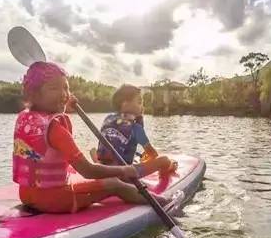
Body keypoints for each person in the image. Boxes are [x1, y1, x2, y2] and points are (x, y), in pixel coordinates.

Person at [13, 62, 172, 214]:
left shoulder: (25, 119)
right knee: (115, 184)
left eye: (66, 88)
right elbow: (88, 171)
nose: (64, 94)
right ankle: (164, 203)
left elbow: (46, 124)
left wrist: (64, 105)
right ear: (33, 93)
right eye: (54, 88)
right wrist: (125, 170)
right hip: (54, 200)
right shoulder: (56, 129)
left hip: (27, 196)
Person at [94, 85, 177, 180]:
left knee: (93, 150)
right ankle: (170, 166)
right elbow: (152, 154)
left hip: (103, 170)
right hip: (124, 174)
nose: (142, 106)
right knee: (164, 160)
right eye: (139, 102)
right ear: (125, 103)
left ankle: (98, 165)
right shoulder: (136, 128)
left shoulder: (108, 119)